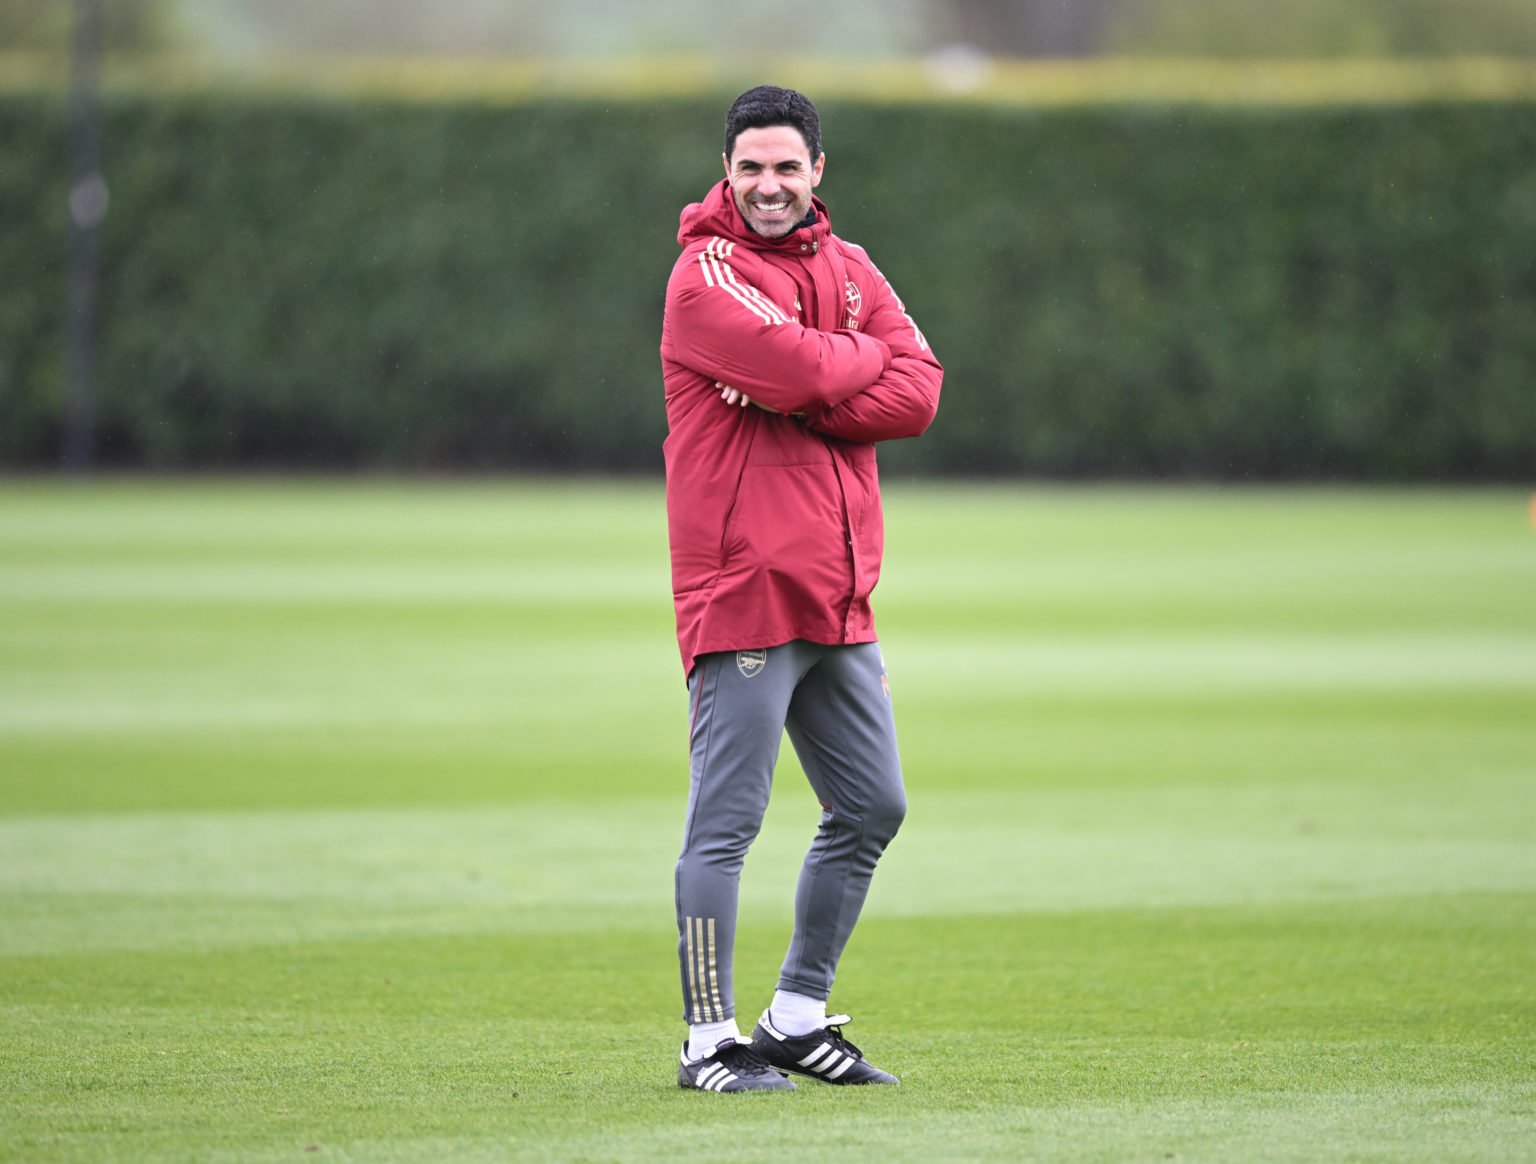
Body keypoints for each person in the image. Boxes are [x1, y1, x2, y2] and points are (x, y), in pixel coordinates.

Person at [660, 85, 943, 1093]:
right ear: (727, 172)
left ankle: (794, 1015)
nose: (769, 185)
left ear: (817, 170)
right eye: (751, 169)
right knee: (725, 828)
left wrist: (824, 384)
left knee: (873, 807)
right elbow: (796, 363)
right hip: (744, 591)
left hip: (840, 592)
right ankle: (707, 1042)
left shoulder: (853, 267)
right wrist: (842, 370)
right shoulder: (705, 275)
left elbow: (919, 391)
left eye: (787, 167)